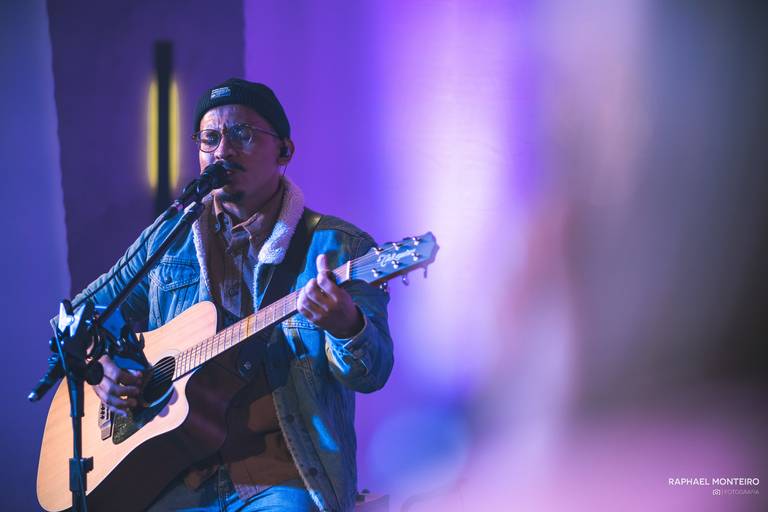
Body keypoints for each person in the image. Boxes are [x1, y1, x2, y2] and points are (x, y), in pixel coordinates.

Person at [71, 78, 394, 511]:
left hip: (283, 476)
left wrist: (346, 326)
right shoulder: (169, 238)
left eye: (242, 134)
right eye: (210, 138)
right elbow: (79, 316)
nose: (222, 150)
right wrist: (102, 368)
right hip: (173, 473)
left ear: (284, 151)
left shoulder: (340, 248)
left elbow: (372, 374)